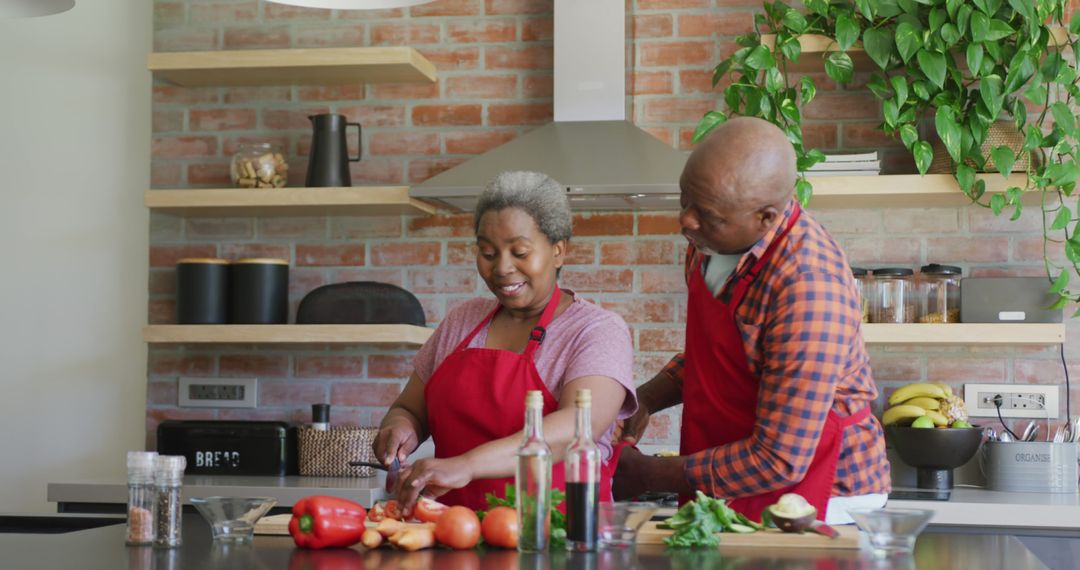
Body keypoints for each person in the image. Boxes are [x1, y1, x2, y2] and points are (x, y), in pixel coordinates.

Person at [615, 117, 890, 525]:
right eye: (684, 199)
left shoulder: (808, 286)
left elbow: (780, 459)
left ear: (765, 217)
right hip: (733, 476)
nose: (686, 221)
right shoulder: (711, 241)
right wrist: (645, 399)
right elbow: (724, 357)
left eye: (706, 214)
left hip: (823, 497)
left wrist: (650, 474)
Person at [375, 170, 637, 515]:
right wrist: (399, 428)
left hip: (559, 536)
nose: (502, 267)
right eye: (487, 252)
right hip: (455, 534)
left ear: (558, 251)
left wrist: (468, 464)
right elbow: (410, 408)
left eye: (520, 252)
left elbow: (575, 429)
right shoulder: (462, 320)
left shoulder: (597, 330)